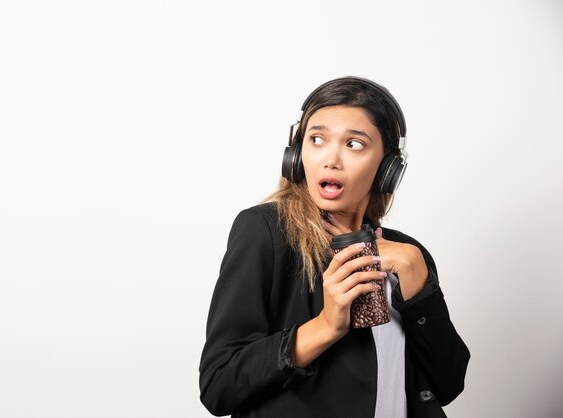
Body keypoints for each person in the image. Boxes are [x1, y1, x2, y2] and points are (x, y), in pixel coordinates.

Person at [198, 76, 470, 418]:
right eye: (316, 139)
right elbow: (218, 385)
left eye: (354, 144)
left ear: (387, 168)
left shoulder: (405, 253)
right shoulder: (265, 231)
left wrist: (417, 275)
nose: (331, 160)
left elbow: (449, 384)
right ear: (296, 154)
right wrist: (326, 326)